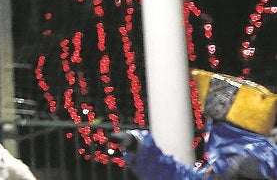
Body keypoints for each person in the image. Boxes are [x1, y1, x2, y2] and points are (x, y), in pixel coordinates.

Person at [113, 70, 277, 180]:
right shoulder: (220, 167)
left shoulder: (266, 158)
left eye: (217, 123)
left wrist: (261, 172)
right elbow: (181, 176)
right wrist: (139, 147)